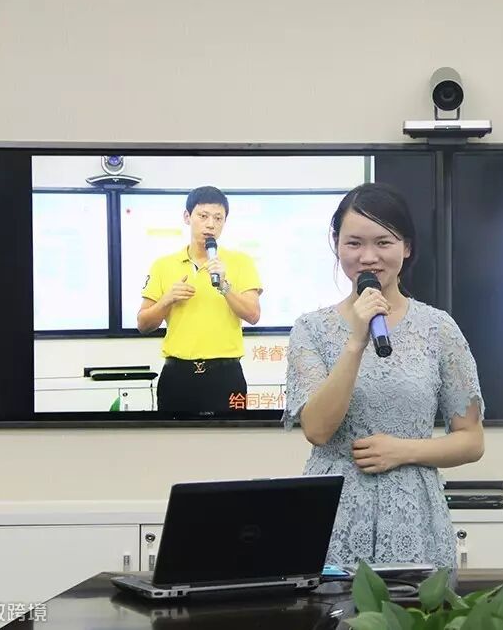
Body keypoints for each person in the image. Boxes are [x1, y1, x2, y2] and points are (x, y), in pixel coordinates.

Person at [283, 182, 485, 569]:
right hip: (334, 513)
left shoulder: (438, 328)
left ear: (406, 247)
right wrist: (356, 341)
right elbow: (317, 430)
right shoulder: (310, 329)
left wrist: (403, 451)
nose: (368, 257)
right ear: (337, 245)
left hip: (414, 514)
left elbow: (471, 440)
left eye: (383, 242)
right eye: (354, 243)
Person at [138, 186, 263, 415]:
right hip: (177, 375)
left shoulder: (241, 262)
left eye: (218, 218)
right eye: (203, 216)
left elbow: (253, 315)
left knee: (233, 438)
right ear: (187, 217)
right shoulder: (163, 265)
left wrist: (224, 286)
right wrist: (166, 300)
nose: (210, 224)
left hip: (226, 375)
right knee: (173, 438)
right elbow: (143, 324)